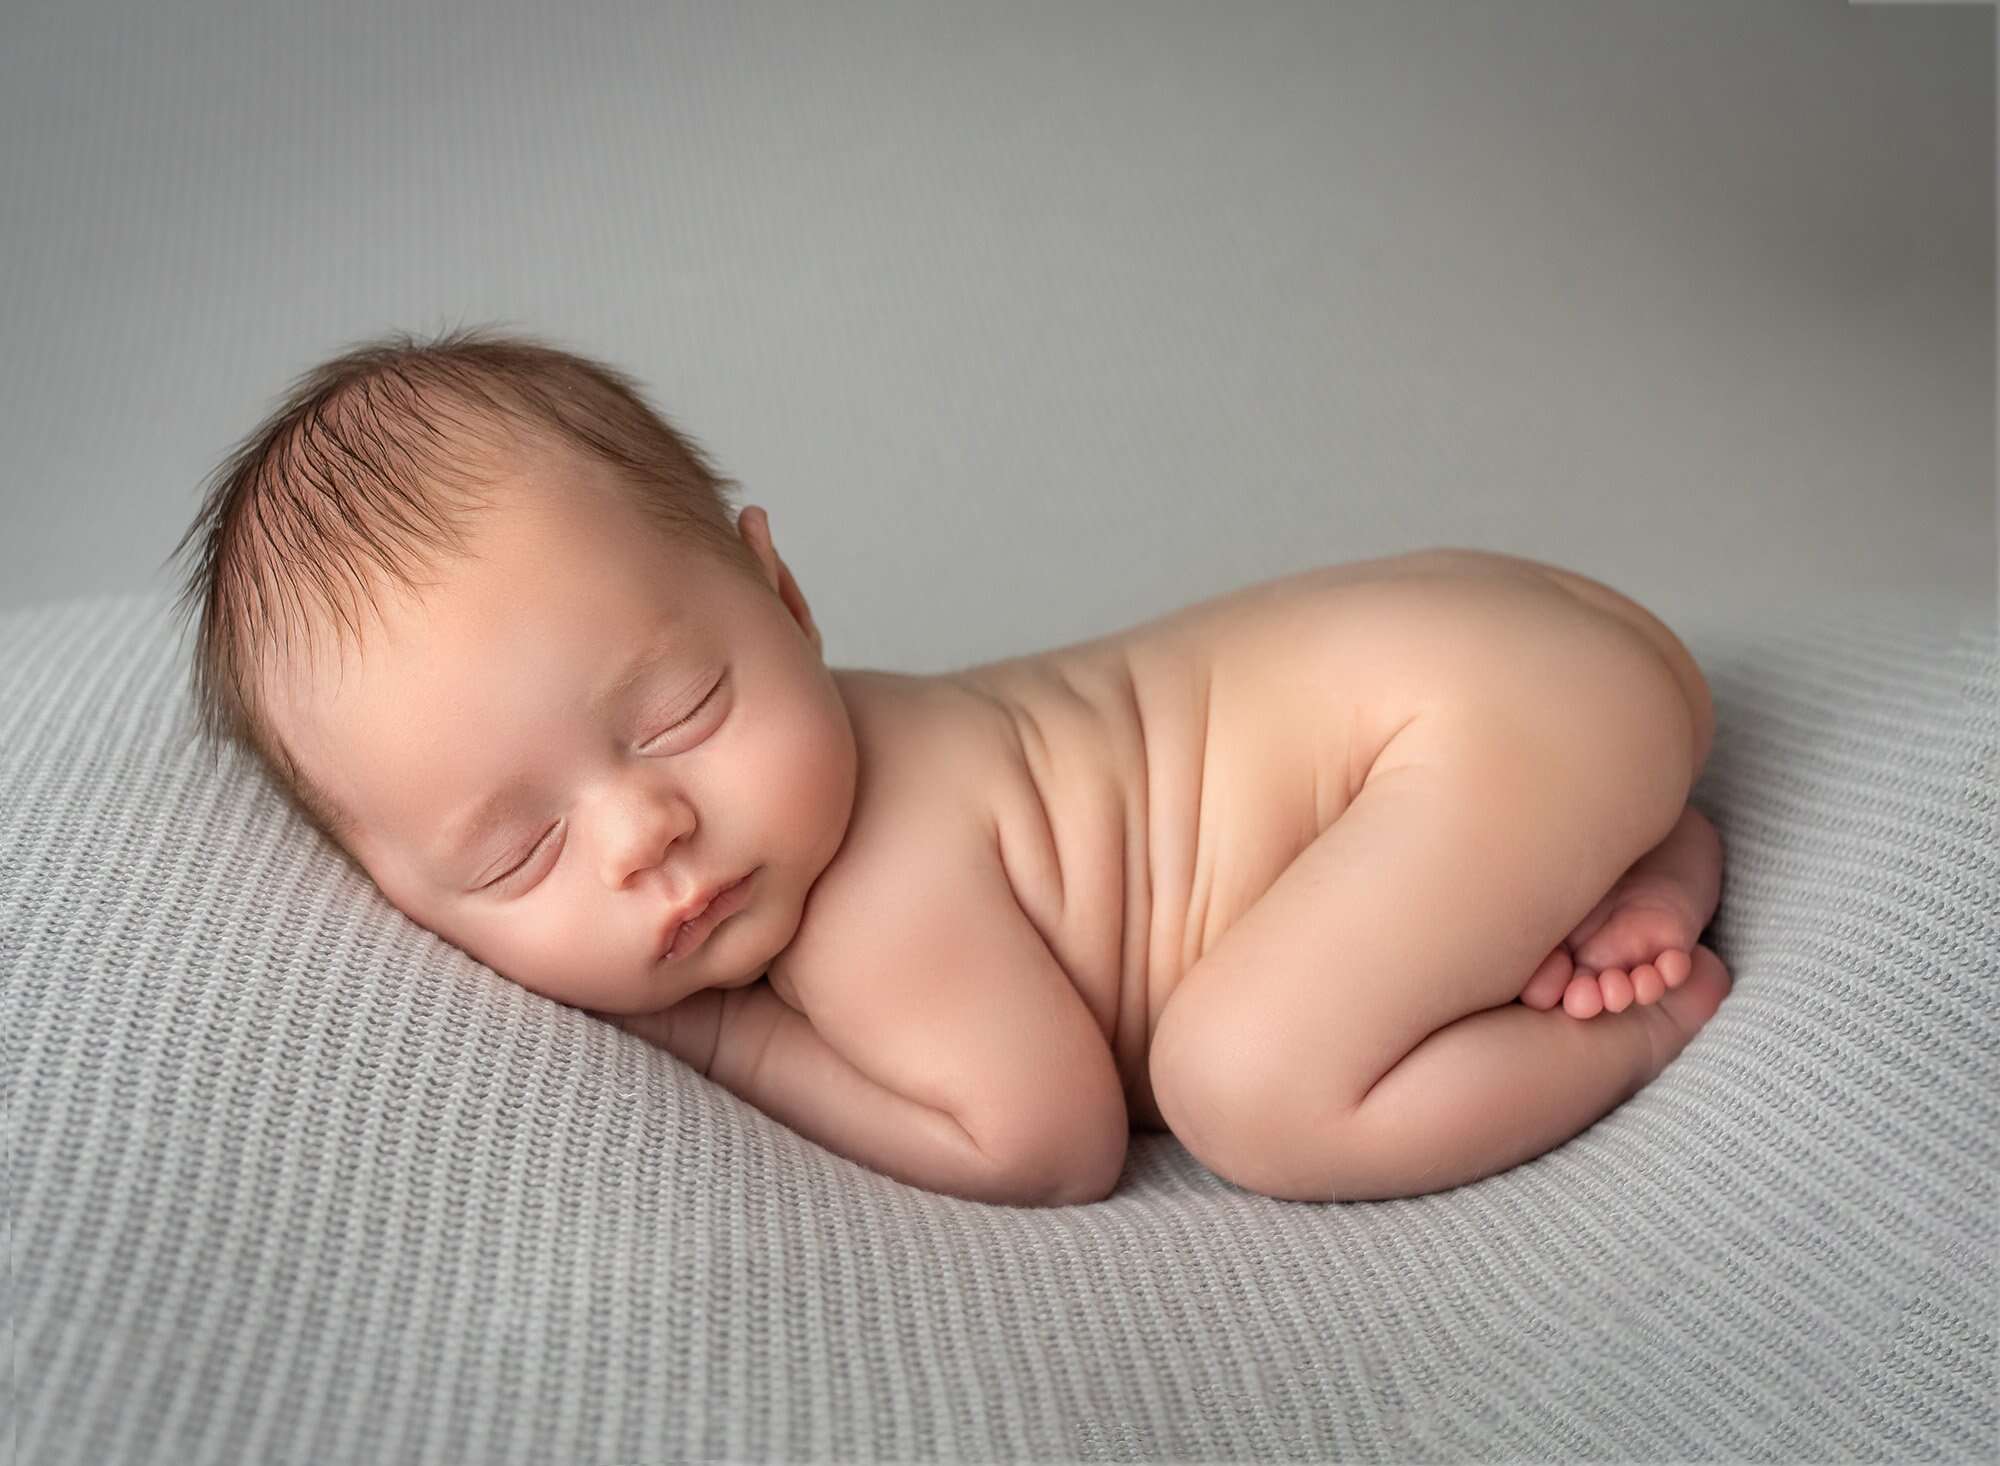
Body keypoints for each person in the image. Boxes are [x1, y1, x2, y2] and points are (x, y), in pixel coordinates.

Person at [166, 326, 1730, 1207]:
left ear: (783, 598)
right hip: (1530, 661)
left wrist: (730, 1044)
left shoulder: (872, 892)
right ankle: (1615, 853)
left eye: (685, 711)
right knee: (1313, 959)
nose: (647, 827)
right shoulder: (852, 769)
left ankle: (1640, 1027)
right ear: (403, 899)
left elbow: (1046, 1142)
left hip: (1473, 714)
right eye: (516, 856)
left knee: (1242, 1084)